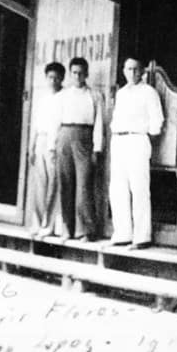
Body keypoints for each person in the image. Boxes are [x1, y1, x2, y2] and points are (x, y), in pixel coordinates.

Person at [107, 57, 164, 250]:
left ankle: (141, 235)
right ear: (123, 71)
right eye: (128, 69)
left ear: (142, 72)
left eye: (136, 69)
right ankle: (123, 233)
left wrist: (147, 137)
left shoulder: (149, 92)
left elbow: (157, 120)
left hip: (137, 139)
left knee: (139, 188)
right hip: (119, 140)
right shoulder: (121, 93)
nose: (132, 73)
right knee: (117, 188)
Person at [54, 57, 104, 242]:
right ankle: (67, 228)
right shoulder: (63, 96)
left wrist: (97, 148)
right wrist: (53, 145)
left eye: (81, 73)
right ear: (70, 74)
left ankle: (87, 230)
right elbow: (55, 122)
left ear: (87, 74)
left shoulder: (95, 95)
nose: (78, 76)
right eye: (74, 73)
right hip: (65, 136)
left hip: (85, 138)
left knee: (84, 186)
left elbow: (99, 123)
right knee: (66, 184)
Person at [28, 62, 65, 239]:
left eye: (57, 77)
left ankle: (48, 224)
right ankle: (37, 222)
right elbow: (36, 124)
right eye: (50, 77)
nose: (53, 80)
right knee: (39, 185)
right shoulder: (42, 99)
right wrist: (32, 146)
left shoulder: (65, 97)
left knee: (53, 184)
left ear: (62, 79)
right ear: (46, 78)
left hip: (55, 142)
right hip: (41, 140)